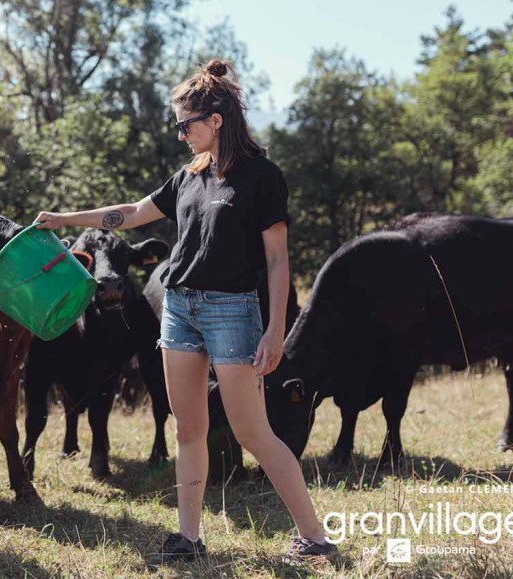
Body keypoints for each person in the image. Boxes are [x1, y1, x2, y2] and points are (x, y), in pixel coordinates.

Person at [35, 59, 336, 565]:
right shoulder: (187, 177)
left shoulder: (262, 177)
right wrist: (64, 218)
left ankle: (314, 537)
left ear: (216, 119)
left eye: (185, 124)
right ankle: (189, 538)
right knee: (187, 428)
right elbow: (130, 214)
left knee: (252, 432)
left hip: (232, 313)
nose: (180, 135)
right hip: (178, 310)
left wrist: (276, 330)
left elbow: (279, 259)